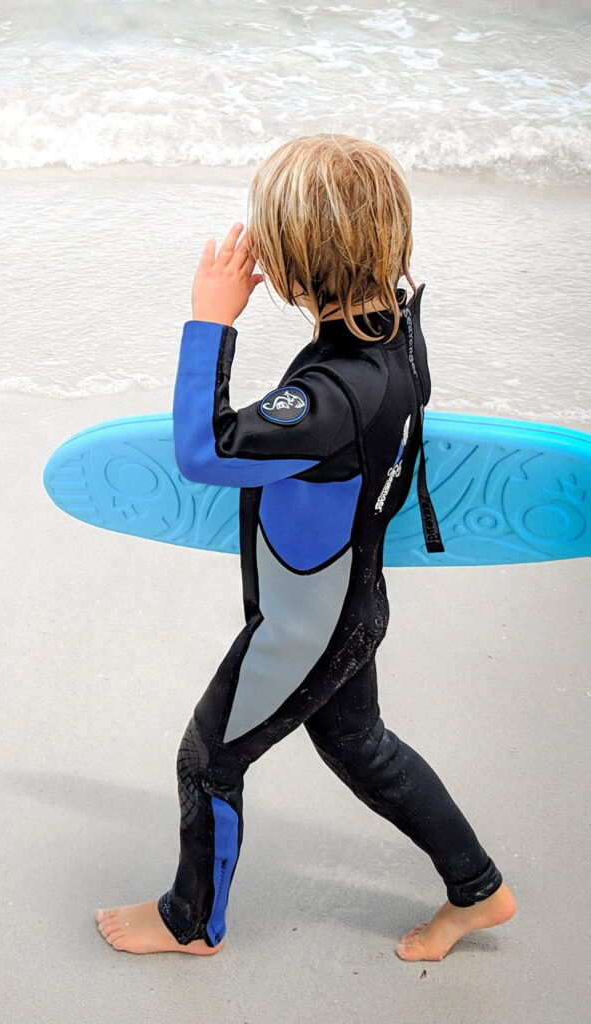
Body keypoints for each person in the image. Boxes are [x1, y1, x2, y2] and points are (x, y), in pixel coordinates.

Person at [94, 134, 515, 961]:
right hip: (351, 603)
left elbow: (205, 450)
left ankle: (190, 921)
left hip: (305, 626)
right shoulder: (392, 335)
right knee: (361, 747)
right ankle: (479, 891)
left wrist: (210, 320)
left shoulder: (330, 396)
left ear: (289, 273)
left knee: (207, 759)